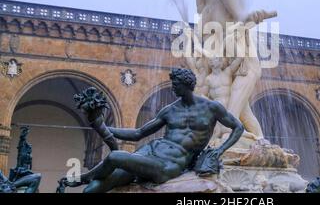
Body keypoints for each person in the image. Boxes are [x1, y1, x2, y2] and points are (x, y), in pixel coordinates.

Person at [61, 68, 244, 193]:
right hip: (148, 153)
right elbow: (138, 133)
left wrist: (220, 150)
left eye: (176, 84)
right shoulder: (170, 110)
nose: (172, 87)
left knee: (115, 157)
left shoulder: (212, 107)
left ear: (186, 84)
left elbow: (238, 127)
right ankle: (86, 180)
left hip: (169, 165)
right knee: (91, 190)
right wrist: (102, 126)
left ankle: (84, 176)